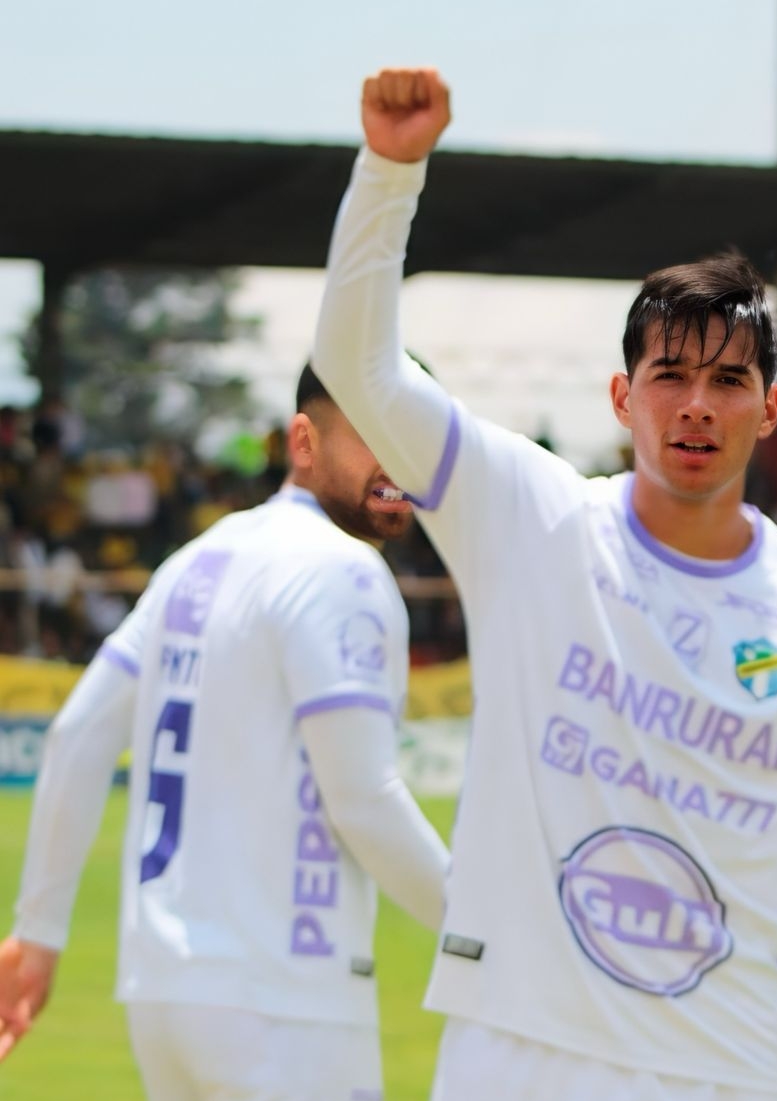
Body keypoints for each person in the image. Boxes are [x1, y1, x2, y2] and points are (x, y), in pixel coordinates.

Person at [311, 66, 777, 1101]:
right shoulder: (526, 517)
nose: (694, 406)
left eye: (726, 380)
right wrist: (390, 172)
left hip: (721, 1069)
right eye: (669, 376)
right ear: (623, 397)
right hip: (516, 1054)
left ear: (770, 408)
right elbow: (359, 367)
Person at [0, 364, 451, 1100]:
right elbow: (364, 799)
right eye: (376, 432)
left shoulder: (194, 560)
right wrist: (489, 934)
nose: (401, 460)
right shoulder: (345, 570)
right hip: (287, 997)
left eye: (418, 432)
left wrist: (39, 931)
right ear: (303, 441)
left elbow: (77, 734)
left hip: (165, 994)